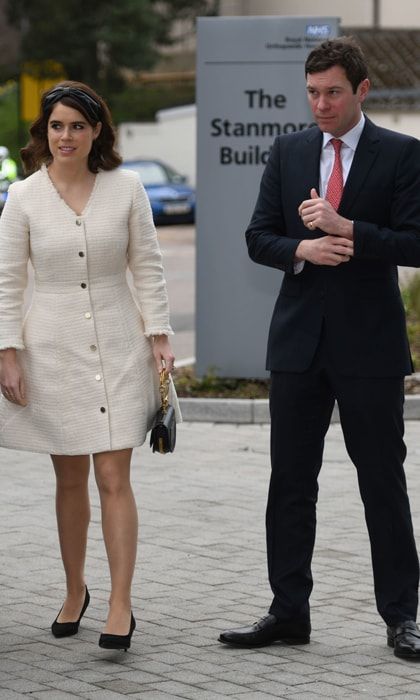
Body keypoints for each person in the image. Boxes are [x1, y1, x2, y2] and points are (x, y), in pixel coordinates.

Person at [219, 37, 420, 659]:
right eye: (312, 92)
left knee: (381, 482)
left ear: (361, 90)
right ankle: (288, 612)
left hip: (371, 347)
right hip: (298, 346)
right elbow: (258, 237)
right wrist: (301, 249)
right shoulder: (289, 151)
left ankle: (402, 617)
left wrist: (347, 230)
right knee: (290, 485)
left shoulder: (403, 154)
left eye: (333, 91)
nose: (321, 104)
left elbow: (415, 243)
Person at [0, 81, 178, 651]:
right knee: (70, 476)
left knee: (113, 477)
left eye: (78, 125)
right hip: (51, 348)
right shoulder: (23, 197)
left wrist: (160, 336)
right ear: (43, 133)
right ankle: (75, 588)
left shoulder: (126, 189)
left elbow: (147, 265)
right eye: (57, 126)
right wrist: (7, 351)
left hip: (121, 343)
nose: (67, 136)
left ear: (98, 130)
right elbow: (7, 281)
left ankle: (121, 604)